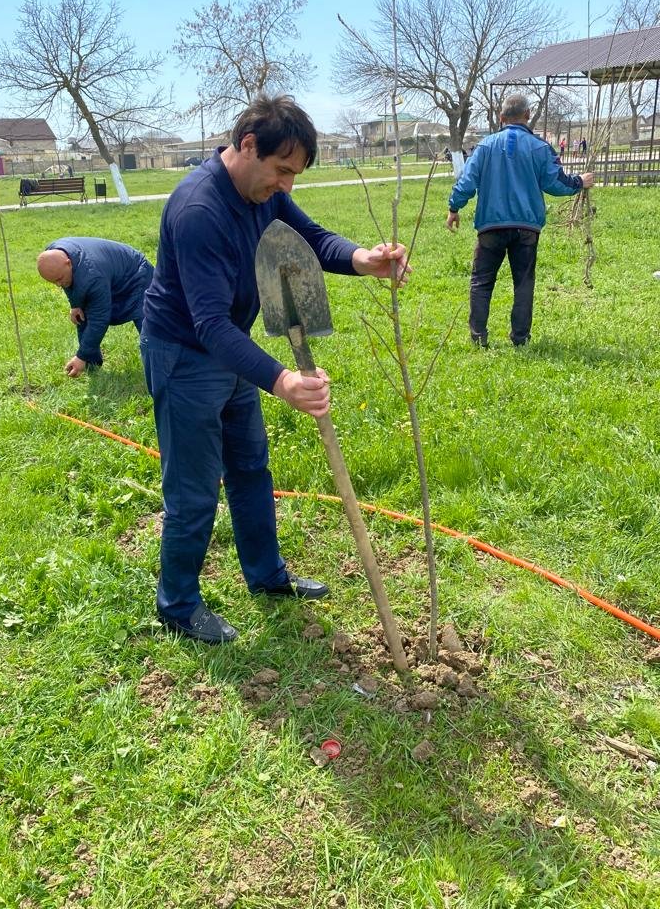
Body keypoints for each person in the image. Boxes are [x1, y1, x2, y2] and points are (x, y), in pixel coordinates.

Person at [140, 94, 410, 644]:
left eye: (296, 174)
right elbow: (209, 324)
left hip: (230, 346)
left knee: (250, 469)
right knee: (193, 488)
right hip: (185, 352)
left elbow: (312, 240)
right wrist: (282, 380)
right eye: (282, 170)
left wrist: (363, 259)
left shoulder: (266, 192)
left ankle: (266, 577)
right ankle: (178, 605)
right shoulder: (199, 210)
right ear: (246, 147)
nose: (286, 185)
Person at [446, 92, 594, 347]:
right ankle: (520, 338)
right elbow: (555, 184)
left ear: (501, 118)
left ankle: (478, 337)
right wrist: (579, 182)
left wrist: (454, 207)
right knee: (523, 283)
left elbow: (466, 182)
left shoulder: (484, 146)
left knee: (481, 281)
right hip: (527, 228)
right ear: (527, 116)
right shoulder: (540, 148)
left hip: (491, 227)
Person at [37, 237, 154, 377]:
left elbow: (100, 318)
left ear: (69, 263)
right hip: (110, 275)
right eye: (53, 282)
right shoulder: (55, 253)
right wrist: (75, 304)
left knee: (150, 328)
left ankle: (160, 369)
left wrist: (81, 356)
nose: (58, 285)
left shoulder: (91, 275)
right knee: (82, 315)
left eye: (59, 279)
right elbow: (68, 283)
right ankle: (91, 365)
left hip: (137, 276)